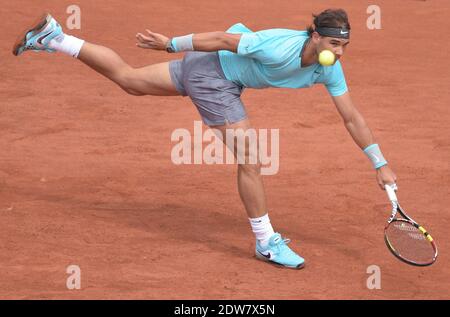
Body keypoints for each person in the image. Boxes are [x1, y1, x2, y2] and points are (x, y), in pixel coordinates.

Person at [12, 8, 397, 269]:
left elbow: (351, 116)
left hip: (214, 72)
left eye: (344, 45)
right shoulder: (279, 46)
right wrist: (171, 43)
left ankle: (55, 39)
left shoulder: (328, 70)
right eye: (333, 44)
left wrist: (379, 163)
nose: (339, 52)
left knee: (130, 81)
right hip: (216, 78)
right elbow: (223, 39)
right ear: (315, 36)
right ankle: (266, 241)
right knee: (252, 159)